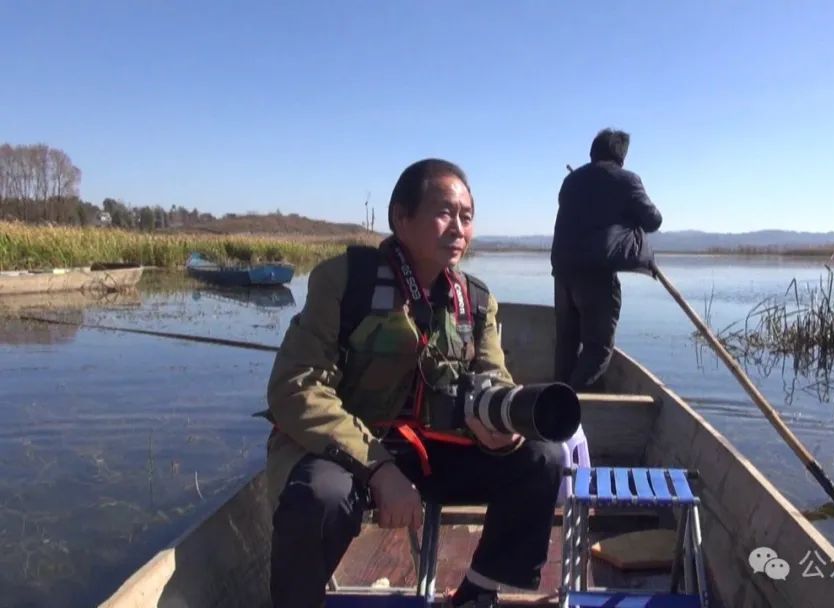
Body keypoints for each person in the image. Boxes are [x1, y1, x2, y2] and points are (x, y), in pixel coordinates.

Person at [264, 158, 563, 608]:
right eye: (444, 212)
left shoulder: (476, 300)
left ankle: (477, 591)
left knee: (541, 456)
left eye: (467, 216)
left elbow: (494, 375)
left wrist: (504, 425)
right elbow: (296, 388)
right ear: (401, 218)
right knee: (320, 497)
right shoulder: (345, 282)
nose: (458, 228)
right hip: (351, 451)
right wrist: (379, 468)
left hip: (435, 451)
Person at [550, 128, 663, 391]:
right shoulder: (627, 180)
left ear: (593, 152)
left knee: (566, 344)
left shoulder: (571, 181)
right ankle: (572, 400)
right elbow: (653, 221)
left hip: (562, 273)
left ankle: (556, 401)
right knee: (598, 349)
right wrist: (628, 214)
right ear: (622, 157)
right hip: (596, 275)